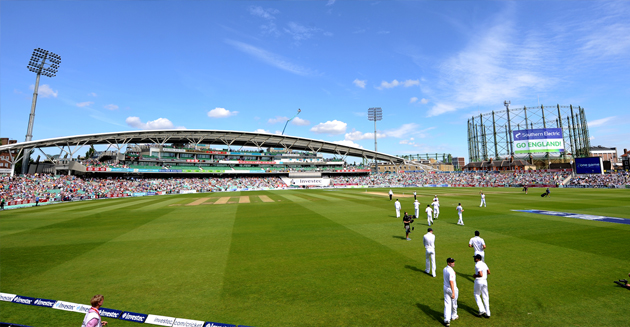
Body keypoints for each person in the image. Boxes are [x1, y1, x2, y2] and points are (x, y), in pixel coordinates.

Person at [443, 258, 459, 327]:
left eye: (453, 262)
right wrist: (453, 292)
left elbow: (450, 274)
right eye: (452, 262)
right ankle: (454, 315)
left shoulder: (445, 269)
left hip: (445, 288)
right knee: (454, 303)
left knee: (447, 304)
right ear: (448, 263)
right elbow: (451, 282)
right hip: (451, 289)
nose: (453, 263)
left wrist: (453, 273)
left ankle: (447, 319)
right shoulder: (451, 271)